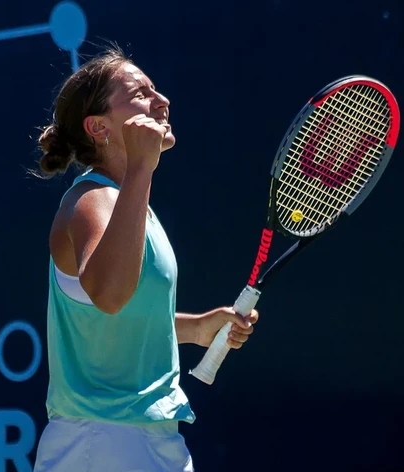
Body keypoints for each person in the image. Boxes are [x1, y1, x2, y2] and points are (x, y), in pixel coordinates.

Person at [32, 47, 260, 472]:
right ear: (98, 126)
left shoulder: (129, 205)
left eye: (156, 89)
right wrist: (142, 168)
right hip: (101, 444)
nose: (162, 100)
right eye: (141, 93)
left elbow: (113, 318)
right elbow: (111, 296)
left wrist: (197, 328)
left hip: (147, 438)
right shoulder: (91, 200)